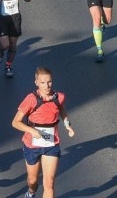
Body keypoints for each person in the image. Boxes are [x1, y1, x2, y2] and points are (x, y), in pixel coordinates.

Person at [11, 66, 75, 198]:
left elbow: (61, 109)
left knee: (49, 183)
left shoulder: (59, 97)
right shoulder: (31, 99)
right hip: (32, 145)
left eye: (49, 82)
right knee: (33, 181)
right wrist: (31, 131)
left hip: (51, 144)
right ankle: (31, 192)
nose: (47, 86)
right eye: (43, 83)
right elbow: (15, 122)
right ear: (36, 83)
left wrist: (67, 124)